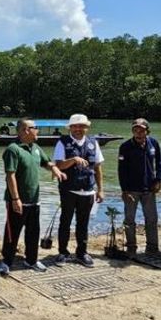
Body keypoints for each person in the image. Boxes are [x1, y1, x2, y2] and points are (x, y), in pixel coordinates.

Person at [0, 118, 66, 275]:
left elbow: (46, 162)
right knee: (12, 233)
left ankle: (31, 260)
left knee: (33, 232)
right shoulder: (13, 149)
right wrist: (15, 199)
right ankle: (6, 261)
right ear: (25, 130)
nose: (38, 131)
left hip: (35, 200)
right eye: (36, 128)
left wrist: (55, 170)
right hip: (17, 201)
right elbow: (10, 176)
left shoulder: (35, 148)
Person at [53, 114, 104, 267]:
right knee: (65, 222)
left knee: (83, 223)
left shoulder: (93, 143)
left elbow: (98, 168)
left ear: (86, 128)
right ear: (70, 128)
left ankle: (82, 253)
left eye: (81, 126)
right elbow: (59, 165)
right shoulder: (62, 142)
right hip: (69, 190)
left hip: (88, 190)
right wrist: (74, 159)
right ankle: (63, 252)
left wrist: (100, 189)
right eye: (75, 126)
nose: (78, 129)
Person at [118, 118, 161, 256]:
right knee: (129, 219)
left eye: (141, 130)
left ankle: (152, 248)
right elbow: (121, 170)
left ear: (147, 131)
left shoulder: (153, 143)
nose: (138, 133)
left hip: (149, 189)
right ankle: (131, 247)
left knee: (151, 219)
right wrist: (124, 190)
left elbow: (160, 163)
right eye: (135, 130)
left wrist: (159, 180)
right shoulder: (125, 146)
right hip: (131, 189)